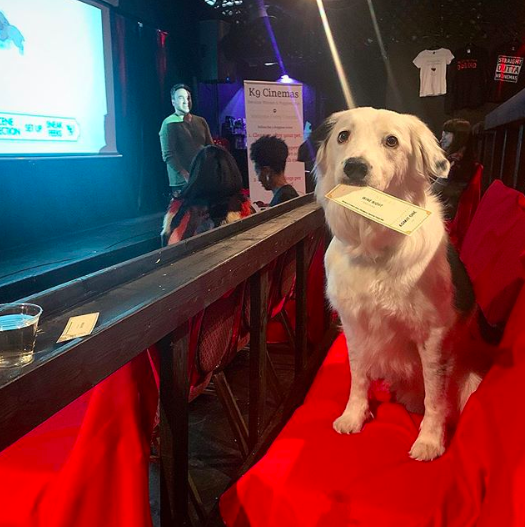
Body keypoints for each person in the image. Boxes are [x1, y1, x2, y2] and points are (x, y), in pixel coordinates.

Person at [161, 145, 252, 245]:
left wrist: (191, 226)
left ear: (196, 175)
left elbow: (169, 250)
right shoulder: (240, 206)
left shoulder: (181, 208)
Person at [159, 84, 213, 197]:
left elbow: (210, 148)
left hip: (203, 178)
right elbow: (168, 155)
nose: (186, 101)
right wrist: (184, 174)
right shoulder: (168, 123)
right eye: (181, 98)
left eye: (188, 97)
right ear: (173, 101)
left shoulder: (200, 121)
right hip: (182, 182)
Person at [432, 118, 477, 220]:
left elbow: (432, 192)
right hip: (447, 208)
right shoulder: (462, 159)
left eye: (446, 135)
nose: (441, 139)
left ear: (459, 138)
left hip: (445, 214)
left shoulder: (454, 164)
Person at [249, 135, 299, 206]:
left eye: (258, 172)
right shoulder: (288, 194)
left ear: (267, 171)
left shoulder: (283, 200)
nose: (259, 179)